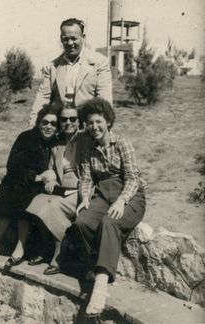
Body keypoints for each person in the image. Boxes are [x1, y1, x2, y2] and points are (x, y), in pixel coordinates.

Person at [72, 98, 146, 319]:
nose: (94, 127)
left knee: (109, 222)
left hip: (131, 195)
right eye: (90, 123)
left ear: (108, 121)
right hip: (103, 194)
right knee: (82, 221)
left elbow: (133, 177)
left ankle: (101, 285)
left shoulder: (121, 143)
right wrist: (85, 198)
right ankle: (95, 265)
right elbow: (85, 178)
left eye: (99, 121)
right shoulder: (88, 148)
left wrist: (122, 200)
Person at [0, 104, 61, 269]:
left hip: (36, 187)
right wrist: (37, 176)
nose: (49, 126)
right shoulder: (26, 137)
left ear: (57, 128)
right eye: (45, 122)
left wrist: (49, 177)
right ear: (39, 122)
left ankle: (19, 248)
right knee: (11, 191)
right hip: (17, 179)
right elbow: (12, 165)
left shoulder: (56, 144)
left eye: (53, 124)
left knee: (27, 197)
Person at [26, 105, 87, 274]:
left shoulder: (85, 141)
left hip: (80, 192)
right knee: (37, 201)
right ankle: (49, 248)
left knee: (51, 206)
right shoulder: (57, 145)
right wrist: (51, 177)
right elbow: (51, 168)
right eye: (64, 119)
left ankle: (59, 255)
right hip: (62, 190)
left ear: (79, 121)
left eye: (72, 119)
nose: (68, 122)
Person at [29, 17, 112, 126]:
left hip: (89, 129)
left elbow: (104, 101)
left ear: (83, 37)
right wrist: (32, 126)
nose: (70, 43)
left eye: (74, 38)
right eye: (65, 39)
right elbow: (42, 99)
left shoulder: (100, 63)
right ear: (61, 39)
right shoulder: (52, 66)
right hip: (61, 128)